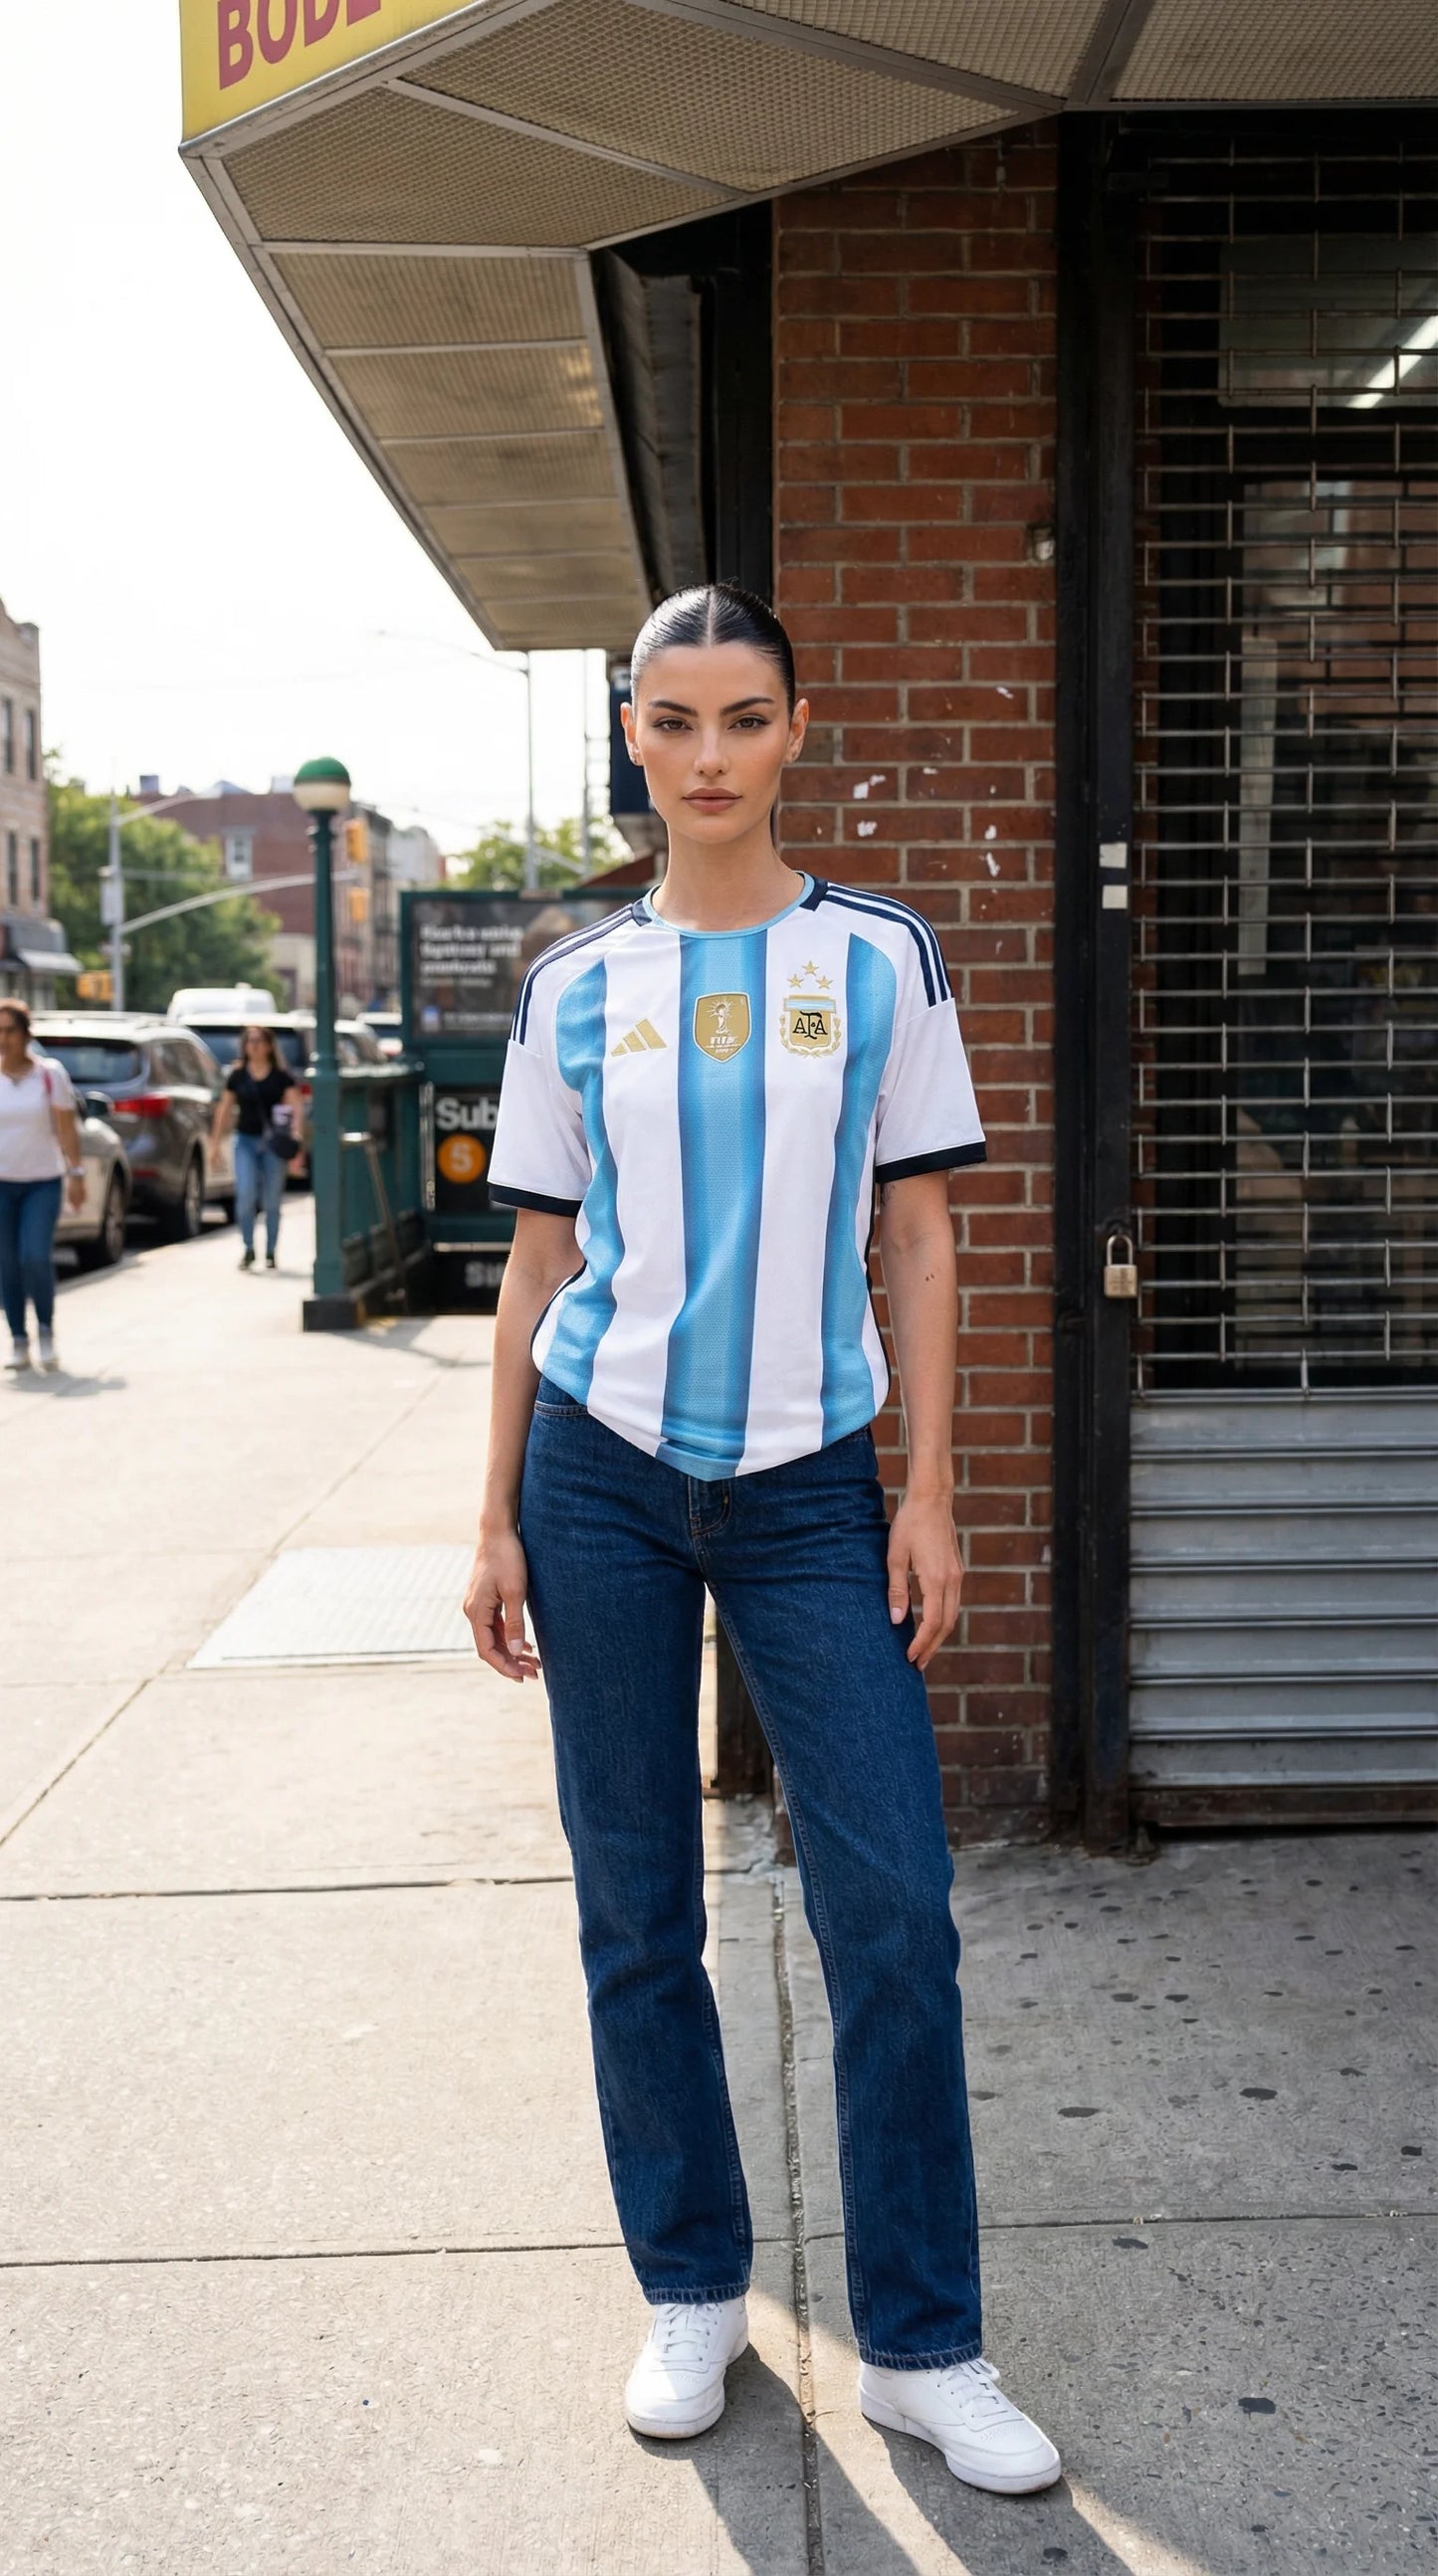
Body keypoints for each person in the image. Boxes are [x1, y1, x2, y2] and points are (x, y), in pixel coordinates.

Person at [463, 585, 1060, 2496]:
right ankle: (696, 2287)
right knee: (640, 1905)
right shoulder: (575, 985)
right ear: (629, 736)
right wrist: (491, 1511)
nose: (707, 755)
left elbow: (923, 1234)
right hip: (602, 1469)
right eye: (671, 719)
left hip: (815, 1477)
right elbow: (539, 1256)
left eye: (742, 717)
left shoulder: (879, 956)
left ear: (798, 728)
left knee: (891, 1904)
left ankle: (922, 2340)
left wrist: (932, 1484)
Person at [0, 1000, 87, 1374]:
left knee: (34, 1256)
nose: (3, 1039)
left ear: (25, 1034)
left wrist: (77, 1173)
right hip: (2, 1183)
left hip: (43, 1182)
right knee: (7, 1263)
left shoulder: (49, 1074)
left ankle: (46, 1329)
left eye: (9, 1031)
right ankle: (18, 1339)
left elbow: (66, 1127)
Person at [209, 1024, 301, 1272]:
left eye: (259, 1040)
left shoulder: (282, 1076)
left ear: (269, 1046)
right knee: (245, 1195)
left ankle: (270, 1251)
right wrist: (214, 1145)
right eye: (250, 1041)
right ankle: (248, 1247)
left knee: (272, 1201)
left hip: (273, 1144)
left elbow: (296, 1108)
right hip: (245, 1140)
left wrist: (296, 1144)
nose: (254, 1045)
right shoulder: (237, 1075)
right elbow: (224, 1109)